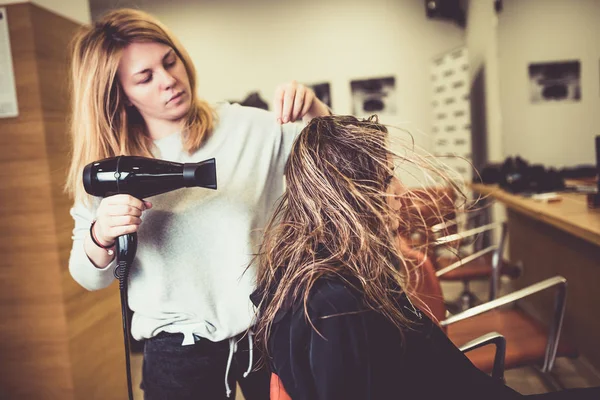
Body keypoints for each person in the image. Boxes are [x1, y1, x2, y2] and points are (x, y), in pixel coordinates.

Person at [65, 8, 330, 400]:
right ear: (120, 94)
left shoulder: (250, 129)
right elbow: (88, 276)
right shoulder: (110, 167)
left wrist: (316, 114)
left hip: (269, 333)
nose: (170, 80)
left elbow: (350, 165)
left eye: (170, 61)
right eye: (146, 77)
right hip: (177, 355)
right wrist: (100, 235)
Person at [251, 115, 600, 400]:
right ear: (353, 194)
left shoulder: (328, 275)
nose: (402, 191)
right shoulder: (336, 305)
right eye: (389, 178)